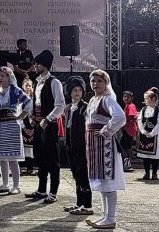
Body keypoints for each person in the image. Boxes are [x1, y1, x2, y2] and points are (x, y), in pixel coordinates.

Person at [84, 69, 126, 229]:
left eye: (99, 81)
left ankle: (111, 217)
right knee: (101, 182)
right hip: (95, 146)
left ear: (106, 83)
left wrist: (106, 131)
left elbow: (120, 117)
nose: (95, 84)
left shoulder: (107, 100)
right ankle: (104, 215)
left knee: (108, 183)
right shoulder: (94, 100)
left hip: (105, 146)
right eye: (93, 81)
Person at [24, 50, 65, 203]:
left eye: (38, 64)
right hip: (38, 124)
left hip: (50, 125)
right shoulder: (37, 82)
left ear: (45, 65)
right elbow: (36, 103)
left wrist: (47, 119)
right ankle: (41, 190)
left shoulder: (54, 82)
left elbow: (60, 105)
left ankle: (53, 192)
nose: (35, 66)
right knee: (40, 157)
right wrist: (33, 118)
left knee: (52, 159)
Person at [0, 66, 32, 195]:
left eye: (2, 76)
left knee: (12, 157)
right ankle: (5, 184)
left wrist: (20, 116)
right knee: (2, 157)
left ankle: (16, 185)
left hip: (11, 125)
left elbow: (28, 102)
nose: (0, 78)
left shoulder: (15, 90)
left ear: (9, 77)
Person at [63, 76, 93, 215]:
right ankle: (79, 203)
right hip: (70, 145)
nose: (77, 92)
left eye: (80, 90)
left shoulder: (85, 107)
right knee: (76, 174)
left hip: (82, 145)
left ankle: (87, 205)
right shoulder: (68, 108)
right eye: (74, 90)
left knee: (83, 175)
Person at [136, 87, 159, 180]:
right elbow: (139, 120)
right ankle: (147, 173)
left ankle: (154, 173)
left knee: (155, 156)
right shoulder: (143, 109)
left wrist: (152, 133)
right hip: (144, 135)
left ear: (153, 99)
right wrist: (143, 131)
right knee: (145, 155)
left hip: (154, 136)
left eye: (147, 99)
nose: (145, 101)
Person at [20, 78, 35, 175]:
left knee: (31, 149)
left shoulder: (35, 100)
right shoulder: (20, 100)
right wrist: (24, 128)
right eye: (26, 85)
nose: (28, 87)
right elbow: (19, 115)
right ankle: (20, 168)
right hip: (23, 125)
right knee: (22, 148)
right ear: (23, 87)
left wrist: (32, 129)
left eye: (30, 85)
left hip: (33, 126)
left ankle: (30, 168)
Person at [121, 90, 137, 172]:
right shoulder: (126, 106)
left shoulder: (131, 106)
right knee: (124, 147)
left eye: (128, 97)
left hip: (129, 131)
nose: (126, 98)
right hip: (127, 130)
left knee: (127, 147)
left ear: (132, 98)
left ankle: (129, 164)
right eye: (124, 96)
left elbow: (134, 117)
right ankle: (127, 164)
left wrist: (126, 126)